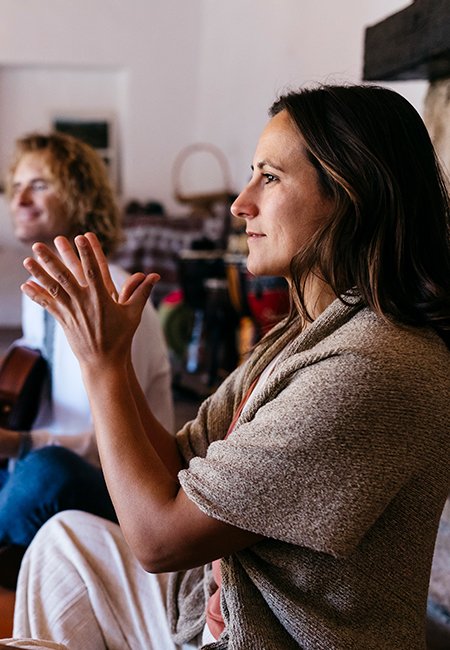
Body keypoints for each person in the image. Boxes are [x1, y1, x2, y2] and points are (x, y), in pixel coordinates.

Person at [6, 83, 450, 650]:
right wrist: (110, 356)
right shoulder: (299, 336)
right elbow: (179, 464)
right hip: (219, 617)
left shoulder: (378, 366)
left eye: (269, 177)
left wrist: (102, 368)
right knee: (63, 539)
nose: (241, 203)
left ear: (350, 193)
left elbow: (158, 542)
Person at [0, 132, 174, 586]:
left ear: (79, 195)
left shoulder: (116, 298)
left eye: (39, 184)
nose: (19, 198)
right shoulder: (38, 297)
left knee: (44, 472)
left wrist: (17, 446)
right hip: (50, 464)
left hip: (123, 489)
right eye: (15, 185)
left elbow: (111, 442)